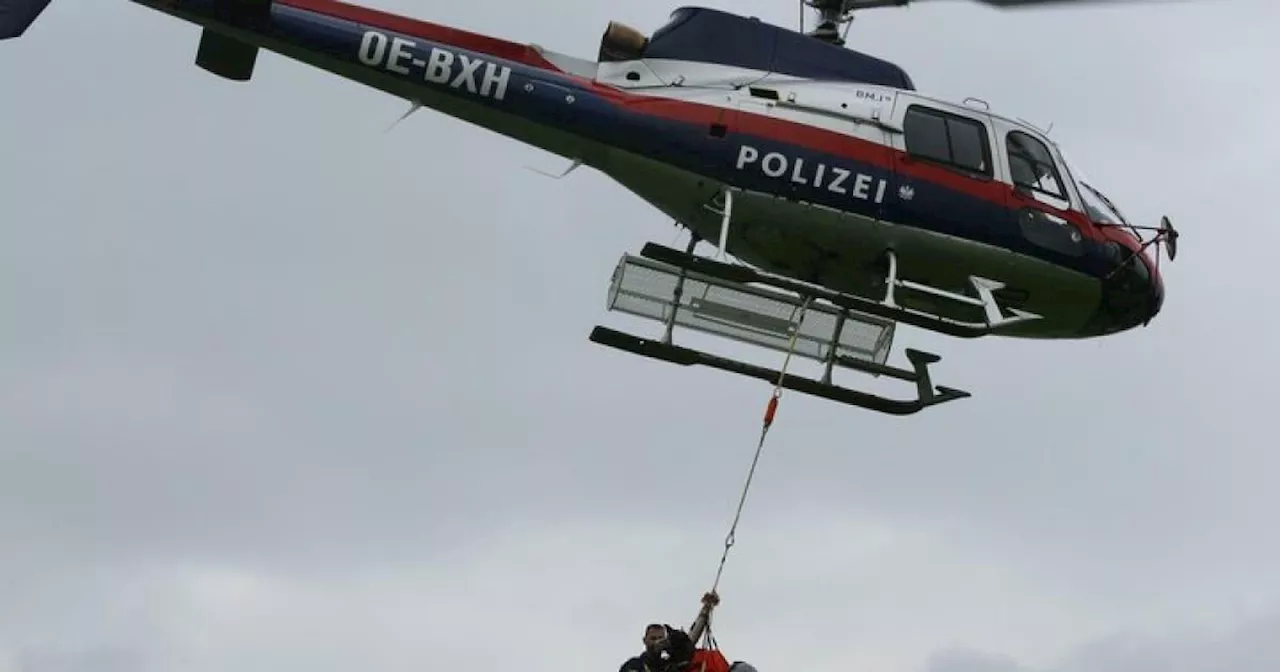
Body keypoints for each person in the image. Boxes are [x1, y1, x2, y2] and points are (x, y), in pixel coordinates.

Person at [620, 592, 721, 672]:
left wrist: (706, 608)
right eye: (653, 638)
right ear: (644, 641)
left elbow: (690, 640)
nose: (657, 642)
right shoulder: (633, 665)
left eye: (660, 638)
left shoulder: (670, 664)